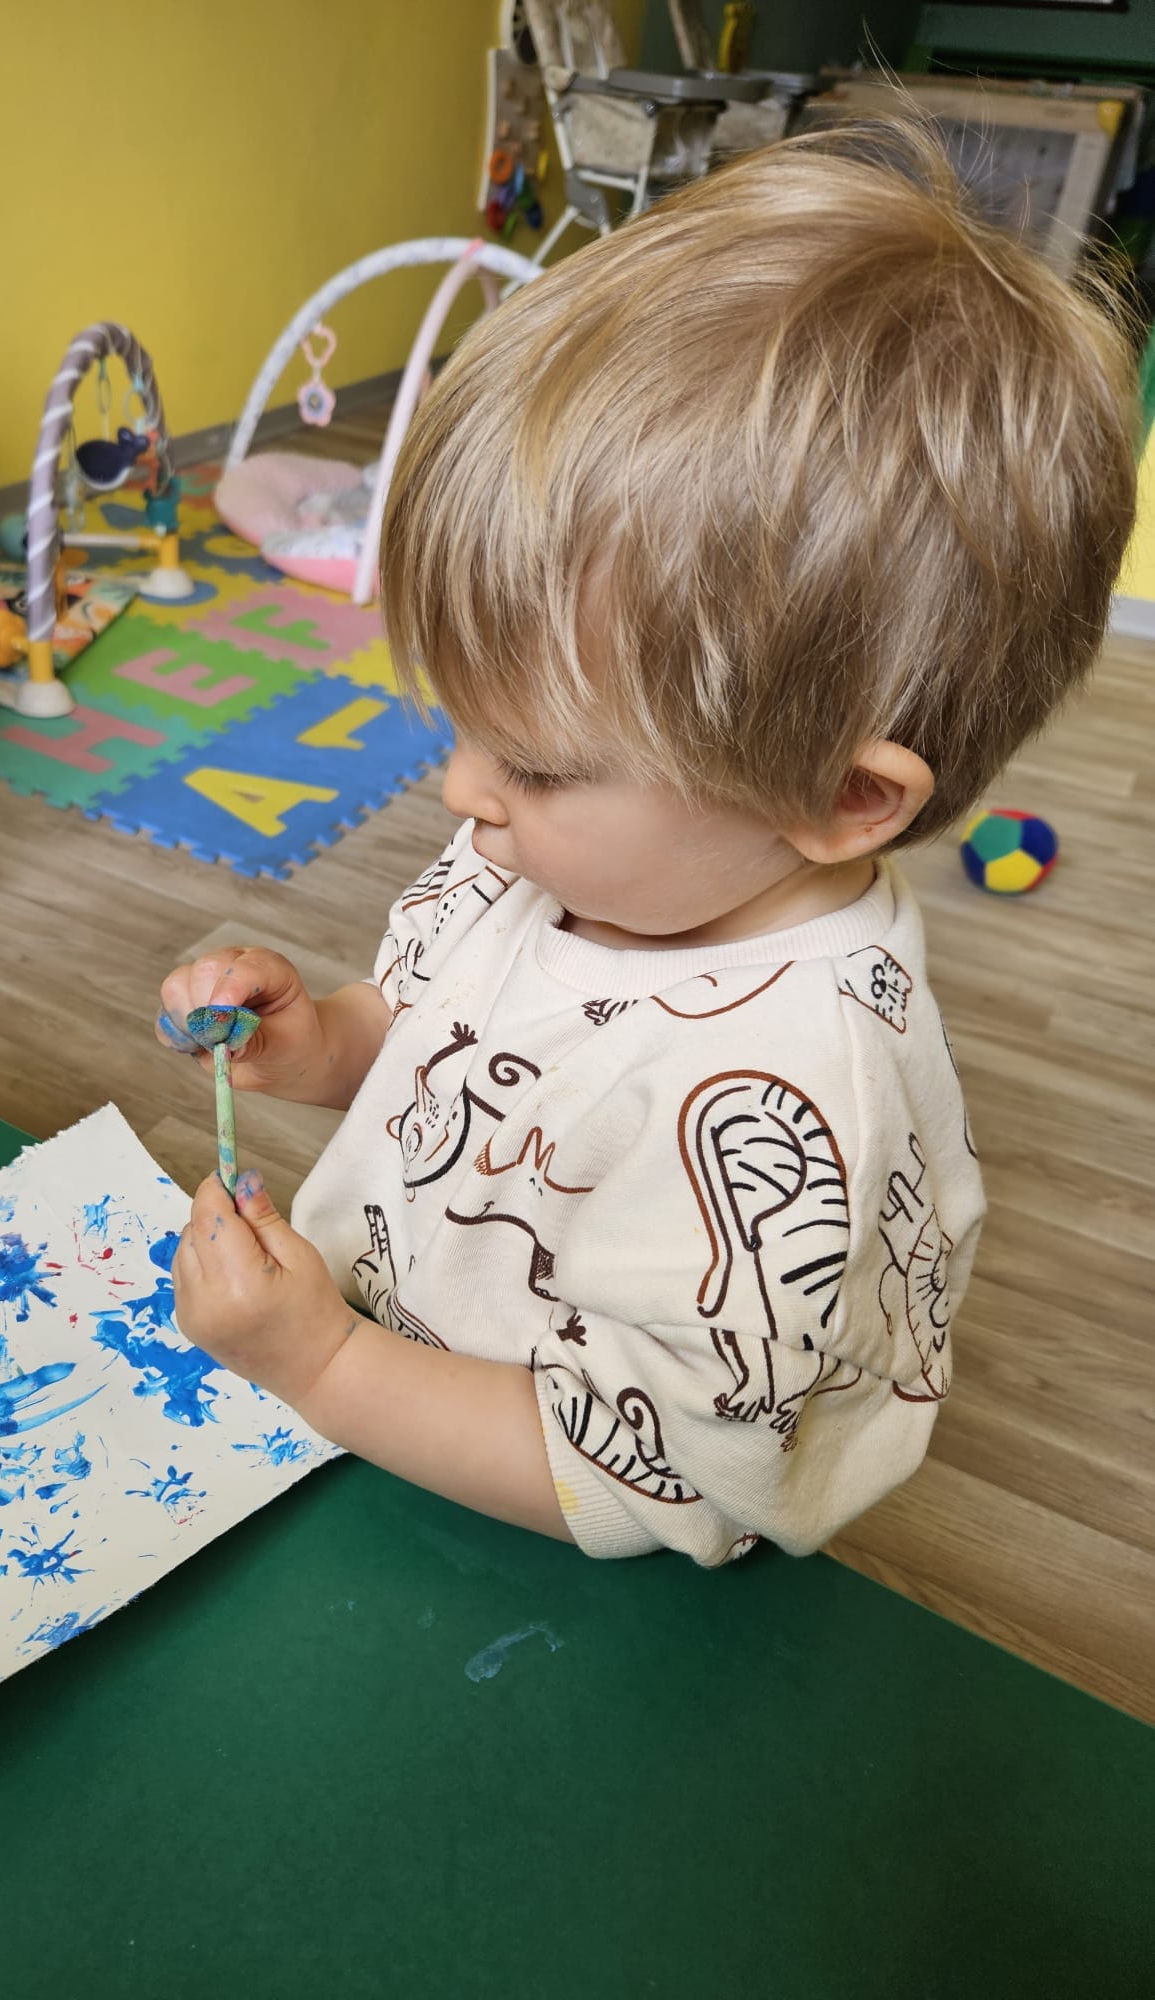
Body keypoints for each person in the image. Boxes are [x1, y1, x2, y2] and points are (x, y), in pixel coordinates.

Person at [156, 120, 1138, 1564]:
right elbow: (447, 1054)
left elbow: (644, 1476)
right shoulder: (554, 857)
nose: (464, 794)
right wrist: (327, 1046)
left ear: (845, 800)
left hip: (535, 1525)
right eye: (463, 727)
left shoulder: (781, 1100)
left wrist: (321, 1367)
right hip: (389, 1394)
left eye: (538, 761)